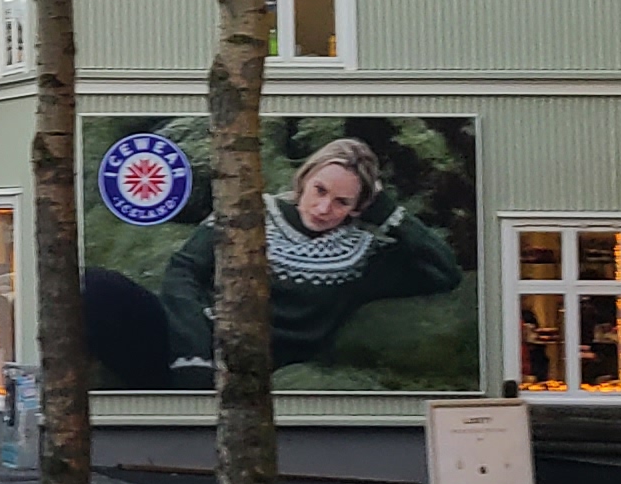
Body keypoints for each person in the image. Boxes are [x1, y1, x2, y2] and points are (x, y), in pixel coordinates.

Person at [160, 135, 459, 376]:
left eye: (342, 202)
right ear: (305, 179)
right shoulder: (249, 210)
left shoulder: (360, 257)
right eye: (320, 190)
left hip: (262, 372)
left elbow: (445, 272)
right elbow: (183, 270)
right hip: (194, 345)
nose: (323, 208)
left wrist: (388, 212)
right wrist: (194, 353)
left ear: (359, 207)